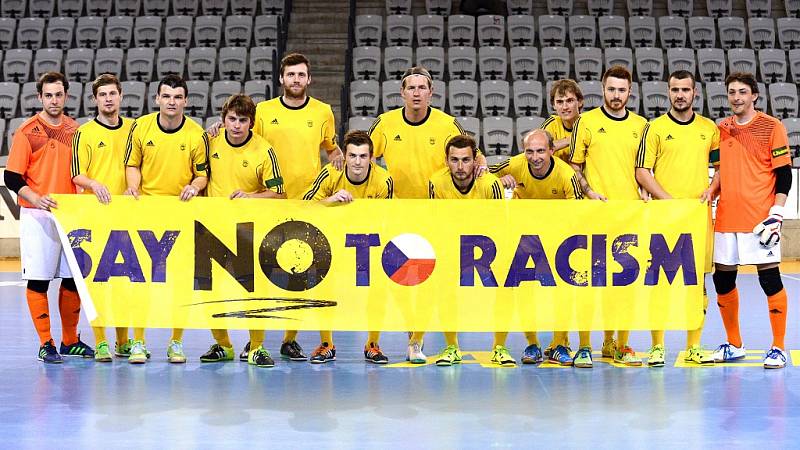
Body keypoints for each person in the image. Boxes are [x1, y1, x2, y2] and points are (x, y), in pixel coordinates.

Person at [210, 53, 343, 362]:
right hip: (267, 204)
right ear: (281, 78)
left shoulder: (323, 111)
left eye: (301, 75)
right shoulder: (264, 112)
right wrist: (218, 128)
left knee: (299, 274)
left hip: (307, 203)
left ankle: (289, 338)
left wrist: (342, 162)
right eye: (290, 74)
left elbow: (332, 149)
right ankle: (256, 342)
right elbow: (241, 138)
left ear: (309, 79)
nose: (296, 79)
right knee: (262, 275)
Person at [369, 66, 487, 363]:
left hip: (436, 217)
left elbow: (475, 154)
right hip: (397, 216)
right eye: (412, 88)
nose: (417, 93)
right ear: (402, 93)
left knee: (437, 284)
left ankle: (429, 343)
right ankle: (374, 343)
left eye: (423, 88)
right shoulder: (385, 122)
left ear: (431, 93)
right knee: (391, 283)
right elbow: (363, 156)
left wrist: (483, 167)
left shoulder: (447, 124)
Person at [4, 71, 94, 363]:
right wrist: (36, 199)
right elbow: (13, 177)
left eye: (59, 94)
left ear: (66, 96)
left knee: (73, 280)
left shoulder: (75, 130)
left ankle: (70, 340)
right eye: (48, 95)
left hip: (70, 215)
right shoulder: (27, 131)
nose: (54, 100)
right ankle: (46, 343)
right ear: (40, 97)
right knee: (39, 280)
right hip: (38, 216)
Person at [707, 72, 792, 369]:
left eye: (743, 92)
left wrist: (776, 213)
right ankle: (734, 344)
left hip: (760, 221)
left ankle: (779, 347)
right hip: (727, 218)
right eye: (732, 92)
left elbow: (784, 174)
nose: (737, 97)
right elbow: (721, 170)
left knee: (769, 280)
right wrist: (711, 191)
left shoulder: (772, 127)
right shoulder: (722, 129)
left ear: (754, 95)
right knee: (722, 279)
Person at [635, 70, 719, 366]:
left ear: (695, 93)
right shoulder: (654, 128)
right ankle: (657, 347)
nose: (680, 94)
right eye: (674, 89)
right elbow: (642, 171)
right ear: (668, 93)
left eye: (685, 89)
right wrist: (670, 203)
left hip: (697, 221)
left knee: (697, 284)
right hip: (663, 219)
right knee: (658, 281)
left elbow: (721, 168)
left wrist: (711, 189)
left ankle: (693, 346)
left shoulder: (709, 128)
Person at [124, 74, 209, 364]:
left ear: (185, 101)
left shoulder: (196, 134)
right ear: (157, 99)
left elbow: (202, 174)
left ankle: (176, 342)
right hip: (147, 214)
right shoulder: (141, 126)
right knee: (142, 281)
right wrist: (133, 185)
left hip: (181, 215)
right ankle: (138, 342)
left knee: (179, 283)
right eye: (166, 96)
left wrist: (194, 187)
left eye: (177, 97)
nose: (171, 102)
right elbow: (132, 164)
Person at [199, 94, 287, 368]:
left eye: (243, 120)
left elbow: (280, 195)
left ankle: (257, 347)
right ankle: (223, 345)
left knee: (252, 290)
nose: (236, 125)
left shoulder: (264, 150)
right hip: (211, 227)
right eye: (232, 119)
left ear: (251, 123)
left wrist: (252, 197)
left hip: (248, 231)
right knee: (210, 290)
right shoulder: (209, 142)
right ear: (223, 120)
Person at [569, 65, 648, 367]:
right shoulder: (586, 122)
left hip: (628, 216)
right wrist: (589, 193)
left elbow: (645, 169)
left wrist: (646, 194)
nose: (616, 95)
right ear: (602, 89)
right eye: (611, 89)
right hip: (594, 214)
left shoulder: (641, 125)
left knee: (624, 283)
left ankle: (619, 344)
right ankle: (586, 345)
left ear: (630, 92)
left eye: (622, 90)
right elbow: (575, 167)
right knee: (590, 282)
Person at [490, 129, 584, 366]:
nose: (535, 157)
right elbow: (482, 172)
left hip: (558, 239)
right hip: (525, 238)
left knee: (561, 292)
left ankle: (559, 345)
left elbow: (579, 212)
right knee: (524, 290)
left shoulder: (565, 175)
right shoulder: (516, 163)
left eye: (541, 150)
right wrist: (499, 181)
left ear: (552, 151)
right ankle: (532, 343)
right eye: (529, 151)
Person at [302, 130, 394, 364]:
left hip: (367, 244)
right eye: (352, 155)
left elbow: (389, 218)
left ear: (371, 158)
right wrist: (331, 201)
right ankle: (326, 344)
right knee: (323, 289)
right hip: (332, 242)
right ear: (346, 156)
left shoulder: (383, 180)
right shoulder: (330, 173)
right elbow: (305, 207)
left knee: (377, 291)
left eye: (363, 156)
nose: (357, 162)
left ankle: (372, 343)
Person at [71, 73, 134, 362]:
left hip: (129, 216)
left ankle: (123, 341)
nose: (108, 98)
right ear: (95, 99)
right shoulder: (84, 133)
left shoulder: (135, 128)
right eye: (102, 94)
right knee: (97, 283)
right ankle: (100, 341)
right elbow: (76, 174)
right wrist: (94, 184)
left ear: (121, 96)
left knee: (126, 282)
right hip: (96, 217)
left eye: (112, 93)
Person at [428, 135, 502, 366]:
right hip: (451, 244)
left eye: (466, 160)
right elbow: (435, 221)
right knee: (445, 293)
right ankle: (452, 346)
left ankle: (500, 347)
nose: (460, 167)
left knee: (503, 293)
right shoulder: (436, 182)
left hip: (487, 247)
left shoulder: (490, 184)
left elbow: (502, 224)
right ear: (446, 161)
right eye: (454, 160)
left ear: (475, 160)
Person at [541, 79, 584, 163]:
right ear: (554, 105)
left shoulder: (589, 123)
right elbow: (537, 151)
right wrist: (572, 140)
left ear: (580, 102)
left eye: (570, 100)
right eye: (560, 102)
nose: (565, 107)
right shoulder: (551, 124)